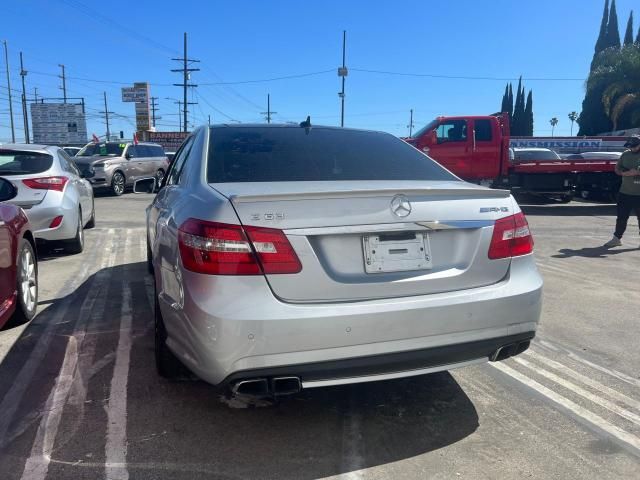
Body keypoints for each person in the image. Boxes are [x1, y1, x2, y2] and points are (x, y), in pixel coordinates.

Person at [604, 134, 640, 247]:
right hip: (625, 192)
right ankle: (616, 239)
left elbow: (637, 172)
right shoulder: (625, 154)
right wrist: (626, 172)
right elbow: (617, 169)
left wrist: (625, 172)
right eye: (630, 146)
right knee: (621, 218)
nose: (632, 148)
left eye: (634, 146)